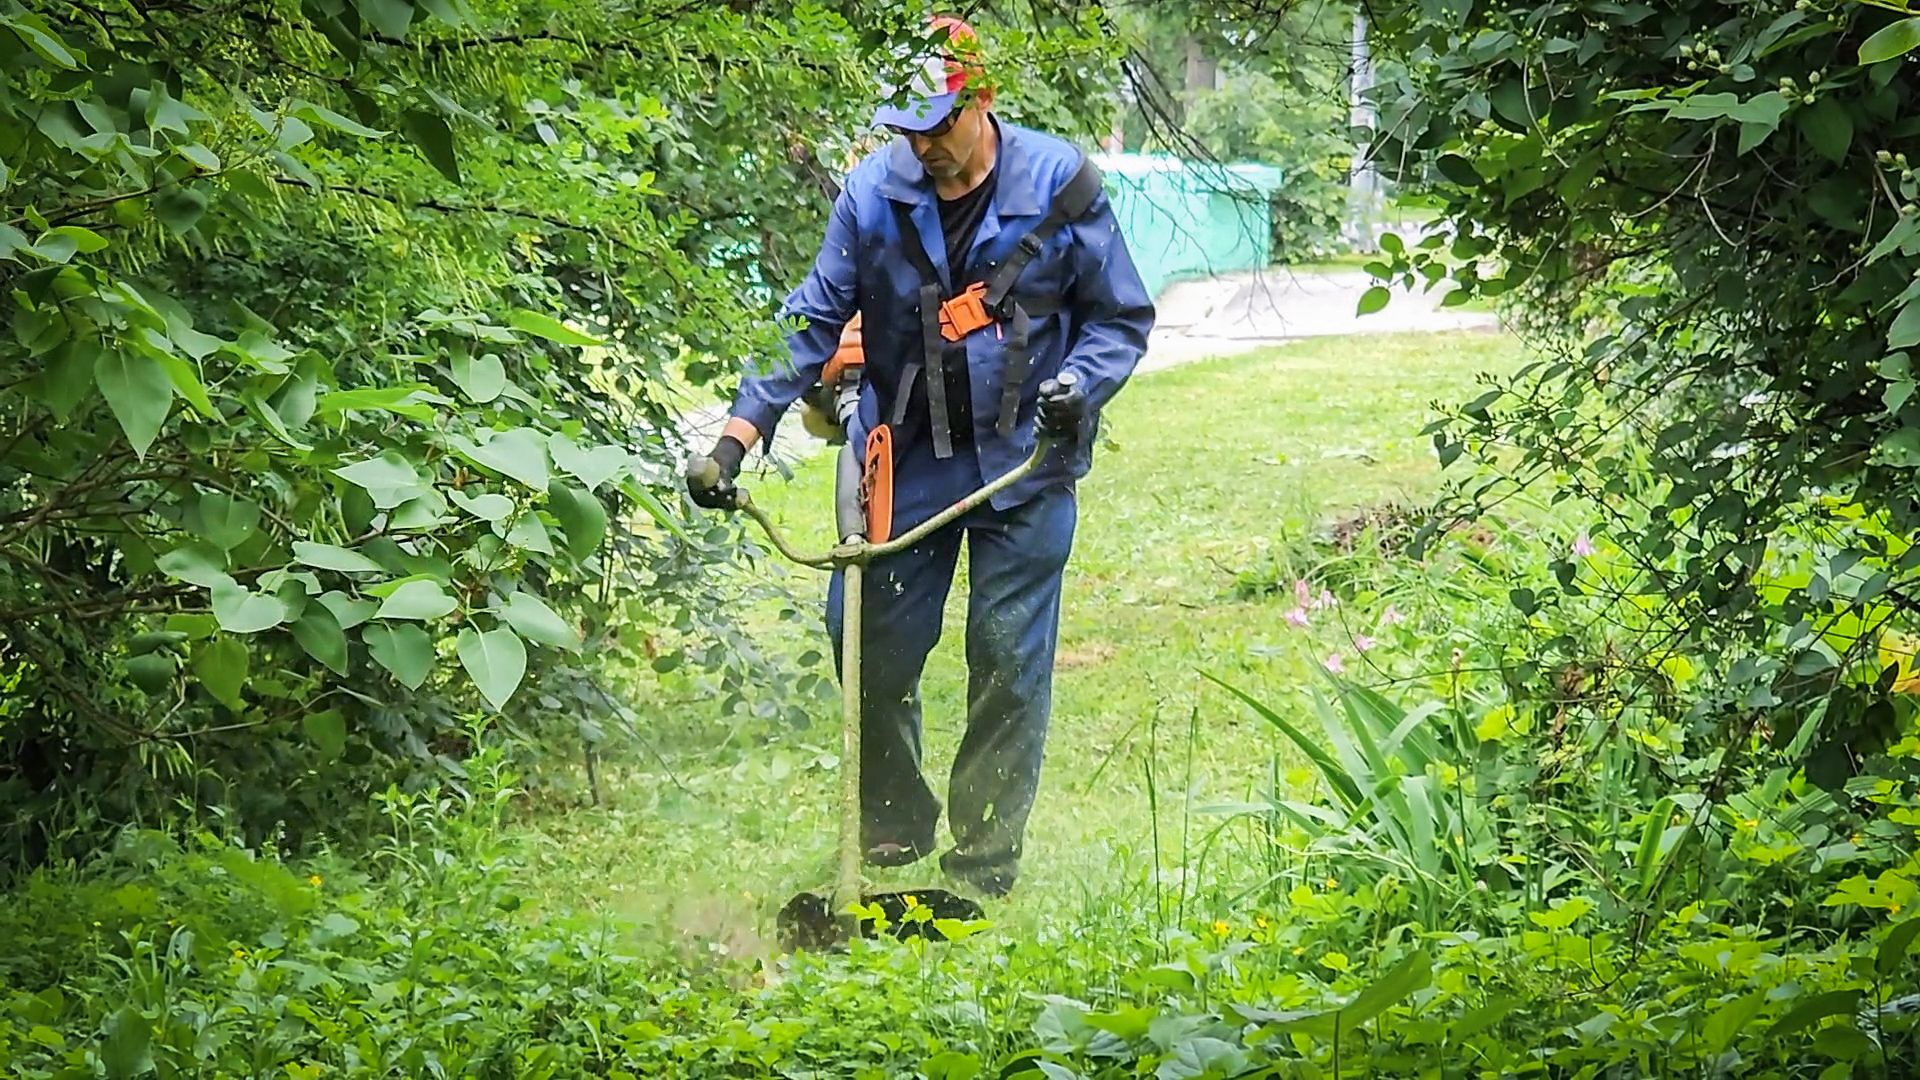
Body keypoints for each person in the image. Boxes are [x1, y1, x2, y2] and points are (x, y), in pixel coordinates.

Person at [685, 14, 1154, 898]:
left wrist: (1081, 387)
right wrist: (734, 438)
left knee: (1008, 659)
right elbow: (810, 320)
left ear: (983, 99)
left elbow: (1119, 318)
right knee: (864, 642)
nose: (924, 145)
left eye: (939, 123)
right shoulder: (871, 196)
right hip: (905, 455)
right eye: (908, 128)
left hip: (1026, 457)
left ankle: (981, 867)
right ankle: (894, 829)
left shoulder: (1061, 185)